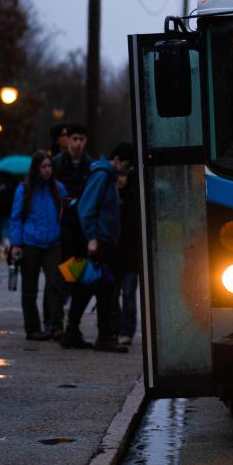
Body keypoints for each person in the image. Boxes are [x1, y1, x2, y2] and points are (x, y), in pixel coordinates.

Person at [60, 152, 126, 352]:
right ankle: (102, 336)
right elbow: (86, 209)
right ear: (118, 159)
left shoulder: (104, 174)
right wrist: (92, 238)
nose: (127, 170)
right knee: (102, 288)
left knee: (87, 287)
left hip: (97, 240)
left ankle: (73, 333)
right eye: (126, 164)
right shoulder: (102, 175)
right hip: (97, 242)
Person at [8, 151, 67, 340]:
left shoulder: (58, 188)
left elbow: (66, 216)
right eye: (43, 167)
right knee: (30, 288)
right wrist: (16, 244)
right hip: (31, 242)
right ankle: (32, 328)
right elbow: (16, 217)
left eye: (50, 166)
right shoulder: (24, 189)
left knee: (55, 284)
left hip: (53, 243)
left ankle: (56, 326)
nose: (47, 170)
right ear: (36, 168)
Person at [107, 142, 140, 346]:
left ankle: (126, 330)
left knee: (128, 294)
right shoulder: (110, 191)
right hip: (114, 252)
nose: (121, 179)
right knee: (113, 295)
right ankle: (117, 327)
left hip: (129, 254)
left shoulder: (134, 194)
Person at [53, 122, 92, 198]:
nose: (78, 143)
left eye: (81, 139)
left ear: (86, 140)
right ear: (68, 139)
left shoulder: (91, 165)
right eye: (75, 139)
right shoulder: (56, 162)